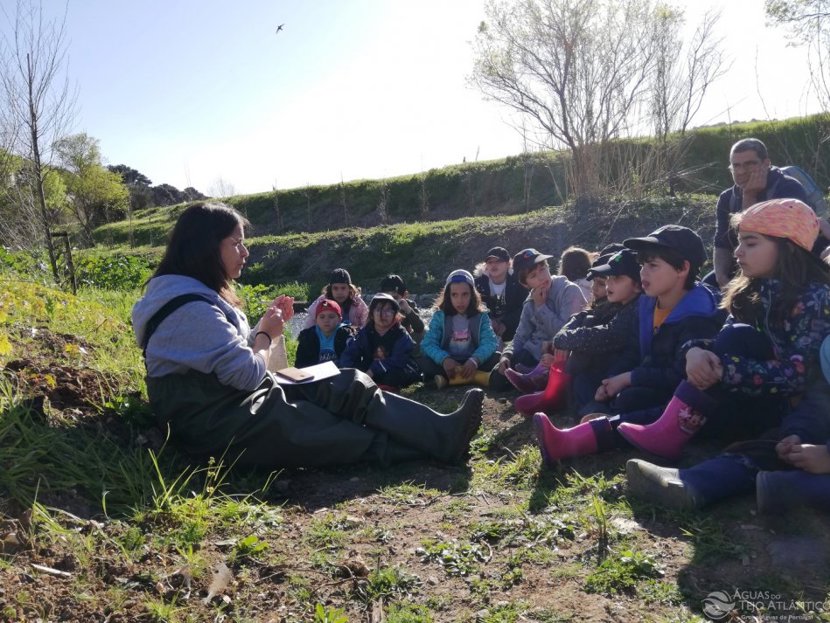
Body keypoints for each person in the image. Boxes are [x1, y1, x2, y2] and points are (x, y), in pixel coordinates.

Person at [132, 202, 484, 469]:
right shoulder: (188, 308)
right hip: (215, 420)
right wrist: (266, 336)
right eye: (236, 243)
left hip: (232, 398)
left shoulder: (193, 295)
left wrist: (262, 329)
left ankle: (441, 431)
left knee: (346, 383)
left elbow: (228, 358)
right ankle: (432, 447)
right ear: (206, 248)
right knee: (326, 430)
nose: (246, 252)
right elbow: (246, 373)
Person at [622, 199, 830, 510]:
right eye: (739, 242)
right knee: (640, 400)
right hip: (777, 401)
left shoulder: (815, 300)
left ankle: (698, 481)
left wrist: (809, 442)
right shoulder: (757, 291)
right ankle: (606, 432)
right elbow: (723, 340)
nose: (737, 252)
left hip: (797, 405)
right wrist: (695, 350)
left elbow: (807, 382)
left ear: (787, 247)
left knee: (769, 448)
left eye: (750, 243)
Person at [533, 225, 724, 465]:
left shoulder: (698, 314)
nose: (643, 272)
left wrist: (628, 378)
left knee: (632, 398)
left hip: (678, 396)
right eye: (643, 264)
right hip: (646, 380)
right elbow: (635, 350)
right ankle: (598, 415)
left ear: (683, 268)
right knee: (612, 388)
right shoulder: (647, 305)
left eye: (653, 265)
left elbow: (678, 375)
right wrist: (613, 379)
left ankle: (578, 438)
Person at [514, 248, 642, 416]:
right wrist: (507, 356)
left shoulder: (630, 309)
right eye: (608, 279)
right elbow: (578, 318)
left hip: (616, 372)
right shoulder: (609, 305)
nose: (607, 285)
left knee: (583, 359)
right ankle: (556, 392)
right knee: (524, 356)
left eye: (614, 279)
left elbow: (607, 335)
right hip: (584, 365)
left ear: (638, 286)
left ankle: (567, 400)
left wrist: (544, 311)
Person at [710, 138, 810, 289]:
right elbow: (721, 241)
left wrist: (749, 196)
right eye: (736, 166)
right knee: (708, 286)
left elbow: (757, 238)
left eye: (750, 164)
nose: (742, 171)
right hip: (742, 263)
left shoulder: (788, 189)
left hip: (782, 267)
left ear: (766, 164)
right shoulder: (726, 198)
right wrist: (721, 276)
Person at [494, 248, 587, 387]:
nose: (542, 277)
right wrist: (507, 354)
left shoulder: (569, 291)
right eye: (533, 276)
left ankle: (535, 380)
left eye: (543, 269)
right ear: (526, 284)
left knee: (558, 375)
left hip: (560, 354)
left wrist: (541, 307)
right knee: (498, 377)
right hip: (533, 352)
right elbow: (521, 335)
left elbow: (565, 333)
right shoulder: (530, 301)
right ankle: (528, 376)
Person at [419, 269, 502, 389]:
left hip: (472, 361)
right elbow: (428, 344)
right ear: (448, 295)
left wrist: (475, 360)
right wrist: (444, 359)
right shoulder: (440, 316)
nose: (460, 300)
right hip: (448, 363)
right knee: (425, 362)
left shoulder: (481, 316)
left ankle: (448, 380)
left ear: (472, 294)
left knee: (496, 357)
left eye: (465, 294)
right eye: (454, 295)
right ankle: (476, 377)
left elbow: (490, 342)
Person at [339, 293, 422, 391]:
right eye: (378, 309)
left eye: (388, 310)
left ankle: (379, 387)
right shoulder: (366, 332)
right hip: (371, 370)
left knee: (393, 377)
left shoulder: (400, 334)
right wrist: (346, 370)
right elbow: (351, 352)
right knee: (355, 369)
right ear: (372, 314)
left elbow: (398, 360)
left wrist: (373, 370)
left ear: (395, 314)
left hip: (396, 368)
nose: (383, 314)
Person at [473, 246, 528, 344]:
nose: (493, 265)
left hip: (514, 329)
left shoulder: (518, 282)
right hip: (485, 328)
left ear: (508, 264)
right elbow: (474, 306)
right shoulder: (478, 283)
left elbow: (524, 307)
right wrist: (489, 320)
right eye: (490, 262)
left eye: (498, 261)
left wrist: (506, 323)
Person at [304, 268, 369, 329]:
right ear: (330, 289)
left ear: (349, 289)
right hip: (326, 339)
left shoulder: (357, 303)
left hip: (353, 338)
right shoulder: (322, 301)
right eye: (335, 288)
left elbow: (367, 324)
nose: (339, 292)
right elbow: (309, 326)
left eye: (343, 288)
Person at [294, 299, 351, 368]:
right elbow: (300, 363)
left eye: (331, 317)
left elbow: (351, 360)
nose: (326, 320)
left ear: (339, 319)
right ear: (316, 320)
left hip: (341, 374)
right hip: (315, 374)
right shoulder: (308, 336)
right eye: (322, 317)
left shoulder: (346, 334)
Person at [379, 274, 425, 344]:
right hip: (386, 343)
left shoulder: (408, 305)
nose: (391, 302)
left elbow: (419, 328)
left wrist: (408, 310)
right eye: (387, 298)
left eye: (395, 298)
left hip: (406, 341)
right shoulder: (379, 308)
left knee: (425, 332)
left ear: (404, 296)